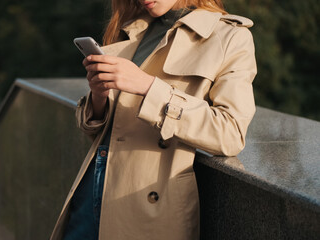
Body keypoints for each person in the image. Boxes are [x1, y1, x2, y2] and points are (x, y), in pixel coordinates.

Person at [52, 0, 256, 239]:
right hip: (91, 192)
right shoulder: (134, 28)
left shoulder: (230, 36)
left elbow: (231, 133)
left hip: (147, 205)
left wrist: (148, 87)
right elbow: (102, 130)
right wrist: (99, 95)